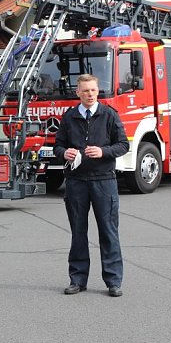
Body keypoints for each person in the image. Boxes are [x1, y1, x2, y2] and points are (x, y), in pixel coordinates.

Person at [53, 74, 129, 297]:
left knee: (108, 232)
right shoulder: (69, 117)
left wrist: (103, 151)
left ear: (98, 91)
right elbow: (58, 146)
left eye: (93, 90)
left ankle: (113, 281)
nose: (89, 94)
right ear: (78, 92)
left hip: (104, 181)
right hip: (76, 182)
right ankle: (77, 279)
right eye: (85, 90)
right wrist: (63, 153)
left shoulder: (109, 115)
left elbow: (123, 144)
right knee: (78, 232)